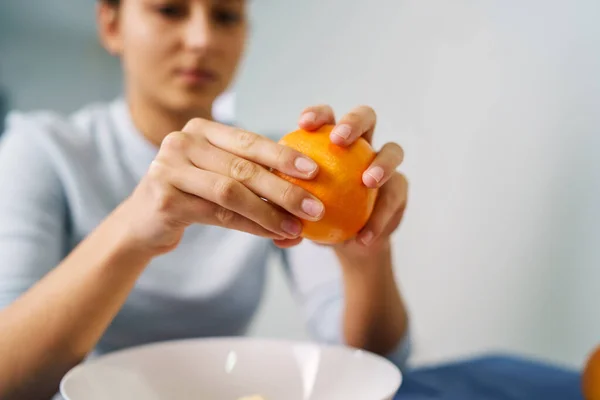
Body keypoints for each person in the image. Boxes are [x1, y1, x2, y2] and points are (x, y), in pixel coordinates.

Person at [0, 0, 410, 398]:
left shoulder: (280, 170)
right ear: (111, 24)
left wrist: (365, 250)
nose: (201, 40)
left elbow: (374, 363)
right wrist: (133, 228)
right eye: (169, 10)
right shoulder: (41, 149)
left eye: (226, 16)